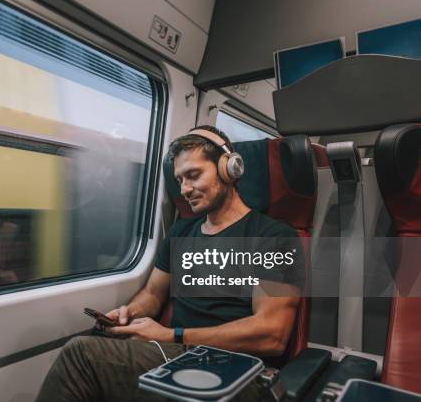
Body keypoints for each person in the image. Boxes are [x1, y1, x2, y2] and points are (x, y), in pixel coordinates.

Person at [36, 126, 305, 402]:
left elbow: (273, 333)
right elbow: (153, 294)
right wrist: (130, 312)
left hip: (233, 369)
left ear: (228, 169)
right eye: (179, 180)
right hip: (175, 354)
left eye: (193, 175)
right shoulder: (181, 233)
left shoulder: (273, 237)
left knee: (81, 354)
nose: (185, 189)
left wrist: (171, 335)